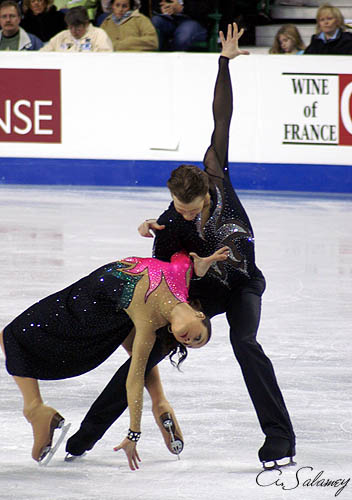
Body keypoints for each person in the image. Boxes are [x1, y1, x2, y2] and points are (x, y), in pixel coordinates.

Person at [66, 24, 296, 470]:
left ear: (206, 195)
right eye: (177, 207)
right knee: (144, 353)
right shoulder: (174, 215)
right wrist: (166, 235)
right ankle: (84, 438)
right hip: (198, 292)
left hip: (242, 285)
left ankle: (279, 440)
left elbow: (222, 118)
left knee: (246, 344)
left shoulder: (217, 179)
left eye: (190, 210)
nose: (184, 215)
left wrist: (224, 63)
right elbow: (163, 273)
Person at [0, 246, 229, 469]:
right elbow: (181, 256)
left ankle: (35, 409)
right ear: (200, 315)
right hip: (97, 293)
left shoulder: (149, 325)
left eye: (189, 343)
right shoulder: (182, 278)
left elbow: (134, 380)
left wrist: (133, 433)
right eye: (197, 337)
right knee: (13, 337)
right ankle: (160, 402)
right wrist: (200, 263)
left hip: (90, 307)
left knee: (11, 336)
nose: (188, 341)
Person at [40, 5, 113, 51]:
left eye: (78, 28)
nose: (73, 31)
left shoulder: (99, 35)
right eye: (70, 27)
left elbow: (105, 58)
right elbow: (43, 54)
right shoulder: (61, 36)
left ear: (86, 23)